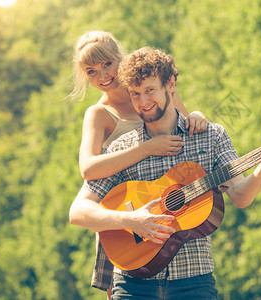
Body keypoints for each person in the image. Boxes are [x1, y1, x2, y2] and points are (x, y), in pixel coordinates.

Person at [69, 47, 261, 299]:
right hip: (132, 286)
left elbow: (241, 196)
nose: (143, 102)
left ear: (171, 84)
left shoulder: (210, 136)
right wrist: (130, 221)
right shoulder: (122, 149)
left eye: (149, 91)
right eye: (135, 94)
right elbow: (78, 212)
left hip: (194, 282)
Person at [71, 31, 208, 298]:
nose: (102, 76)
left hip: (166, 205)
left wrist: (198, 116)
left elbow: (183, 123)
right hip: (126, 220)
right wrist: (146, 148)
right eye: (91, 71)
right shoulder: (99, 114)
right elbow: (88, 168)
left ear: (119, 57)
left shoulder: (150, 90)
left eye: (107, 64)